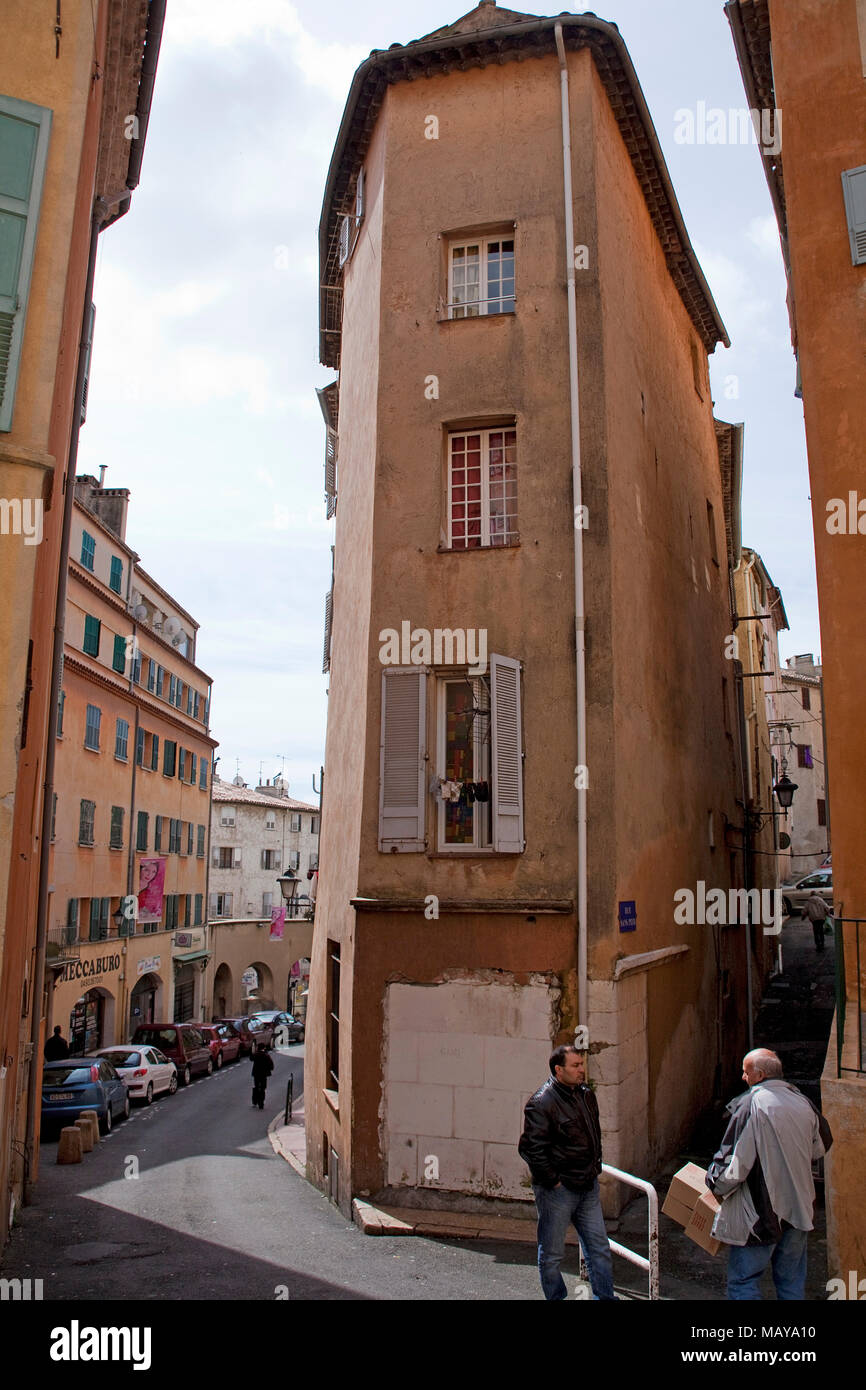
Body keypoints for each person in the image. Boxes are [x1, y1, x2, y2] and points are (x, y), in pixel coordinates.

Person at [706, 1048, 833, 1300]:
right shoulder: (803, 1102)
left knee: (743, 1282)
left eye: (746, 1072)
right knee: (791, 1284)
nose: (743, 1077)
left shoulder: (749, 1105)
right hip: (800, 1208)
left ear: (760, 1075)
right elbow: (820, 1146)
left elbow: (734, 1168)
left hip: (760, 1214)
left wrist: (713, 1183)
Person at [518, 1044, 615, 1301]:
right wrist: (554, 1181)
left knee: (599, 1248)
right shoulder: (542, 1102)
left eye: (581, 1064)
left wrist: (595, 1167)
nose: (581, 1069)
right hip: (558, 1191)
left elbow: (593, 1134)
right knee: (551, 1255)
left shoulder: (585, 1094)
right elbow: (530, 1149)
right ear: (558, 1070)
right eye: (575, 1065)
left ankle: (605, 1297)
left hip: (587, 1185)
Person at [250, 1042, 274, 1109]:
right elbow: (271, 1065)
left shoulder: (256, 1054)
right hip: (264, 1075)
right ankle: (261, 1103)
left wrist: (253, 1051)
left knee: (256, 1087)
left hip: (256, 1074)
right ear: (264, 1048)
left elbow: (251, 1058)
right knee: (263, 1088)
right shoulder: (266, 1055)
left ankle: (254, 1101)